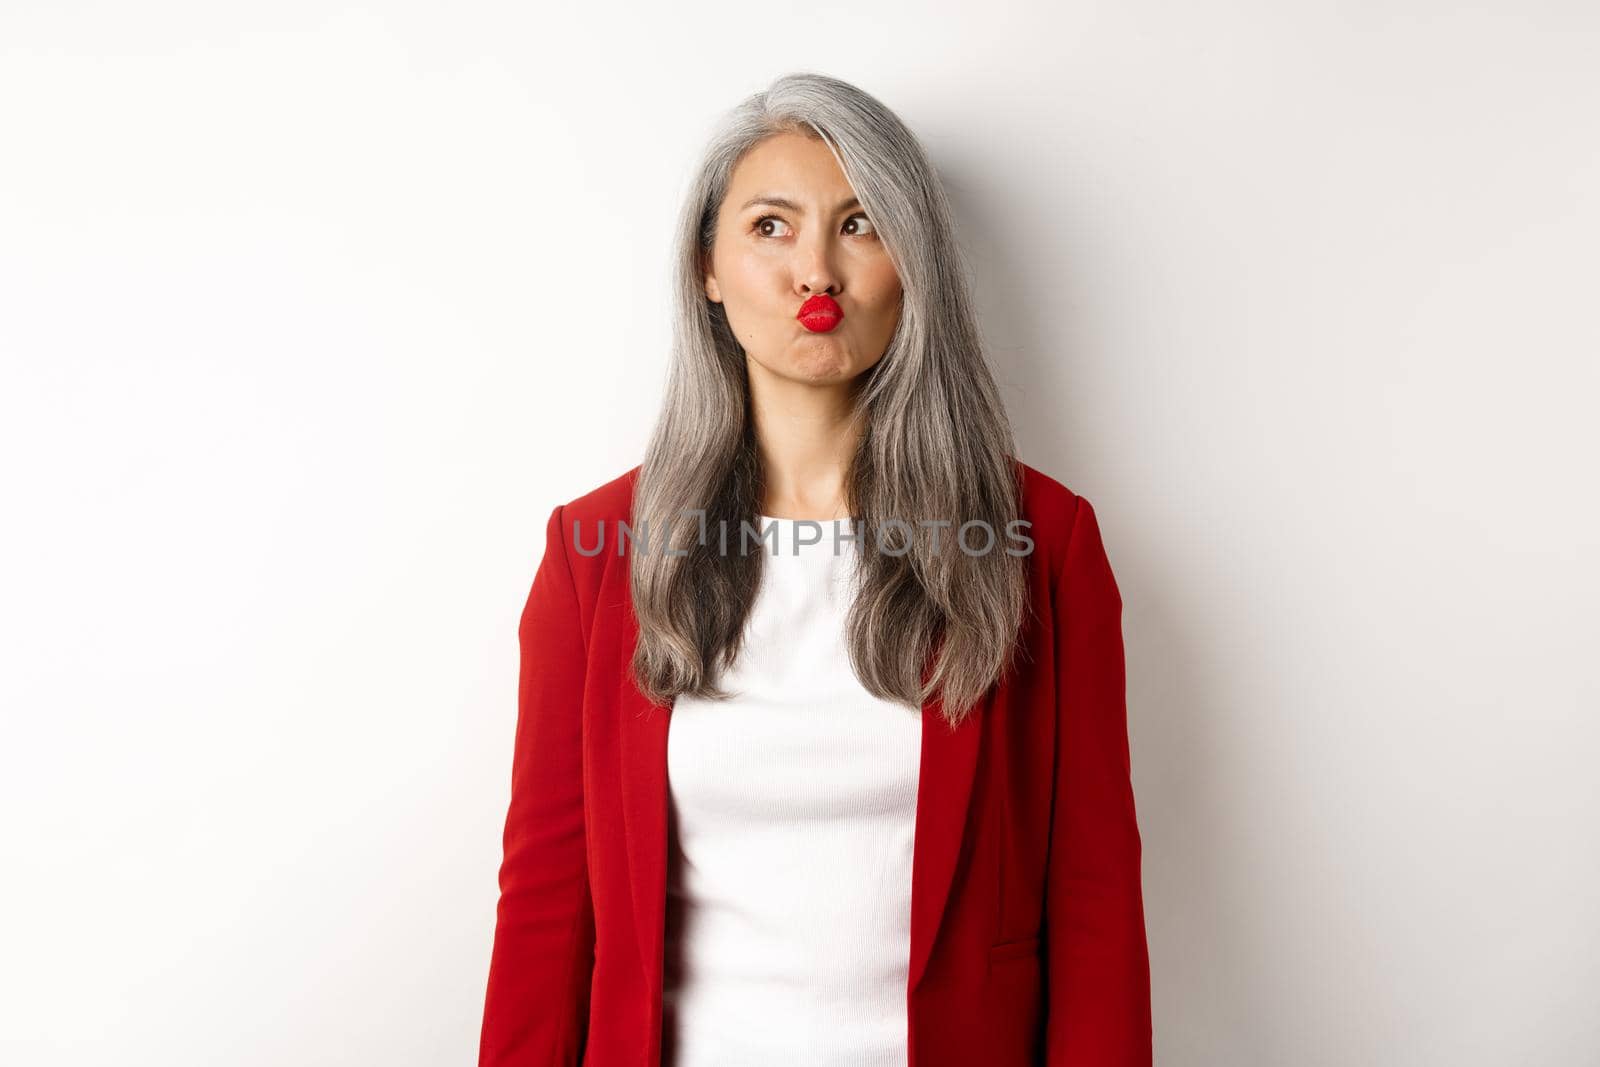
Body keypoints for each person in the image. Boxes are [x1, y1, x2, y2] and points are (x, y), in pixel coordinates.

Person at [478, 71, 1151, 1067]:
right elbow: (546, 904)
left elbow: (1091, 892)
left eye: (861, 224)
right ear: (706, 265)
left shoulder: (1038, 541)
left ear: (912, 263)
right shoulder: (597, 551)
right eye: (769, 227)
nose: (817, 272)